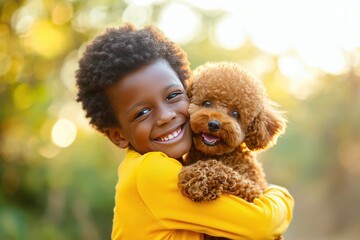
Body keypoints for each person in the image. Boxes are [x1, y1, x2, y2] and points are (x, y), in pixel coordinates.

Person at [76, 23, 294, 240]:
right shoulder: (151, 172)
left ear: (188, 92)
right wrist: (280, 195)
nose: (166, 116)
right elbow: (261, 224)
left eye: (172, 96)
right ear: (118, 135)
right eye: (142, 112)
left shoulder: (163, 165)